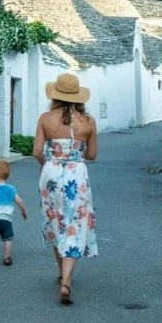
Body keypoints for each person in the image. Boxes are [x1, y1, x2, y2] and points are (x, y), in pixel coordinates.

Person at [33, 73, 98, 305]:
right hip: (76, 174)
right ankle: (66, 281)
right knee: (75, 224)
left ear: (55, 95)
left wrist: (48, 166)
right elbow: (91, 155)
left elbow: (37, 152)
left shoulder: (45, 118)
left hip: (50, 173)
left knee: (55, 221)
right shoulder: (88, 121)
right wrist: (74, 153)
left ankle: (61, 272)